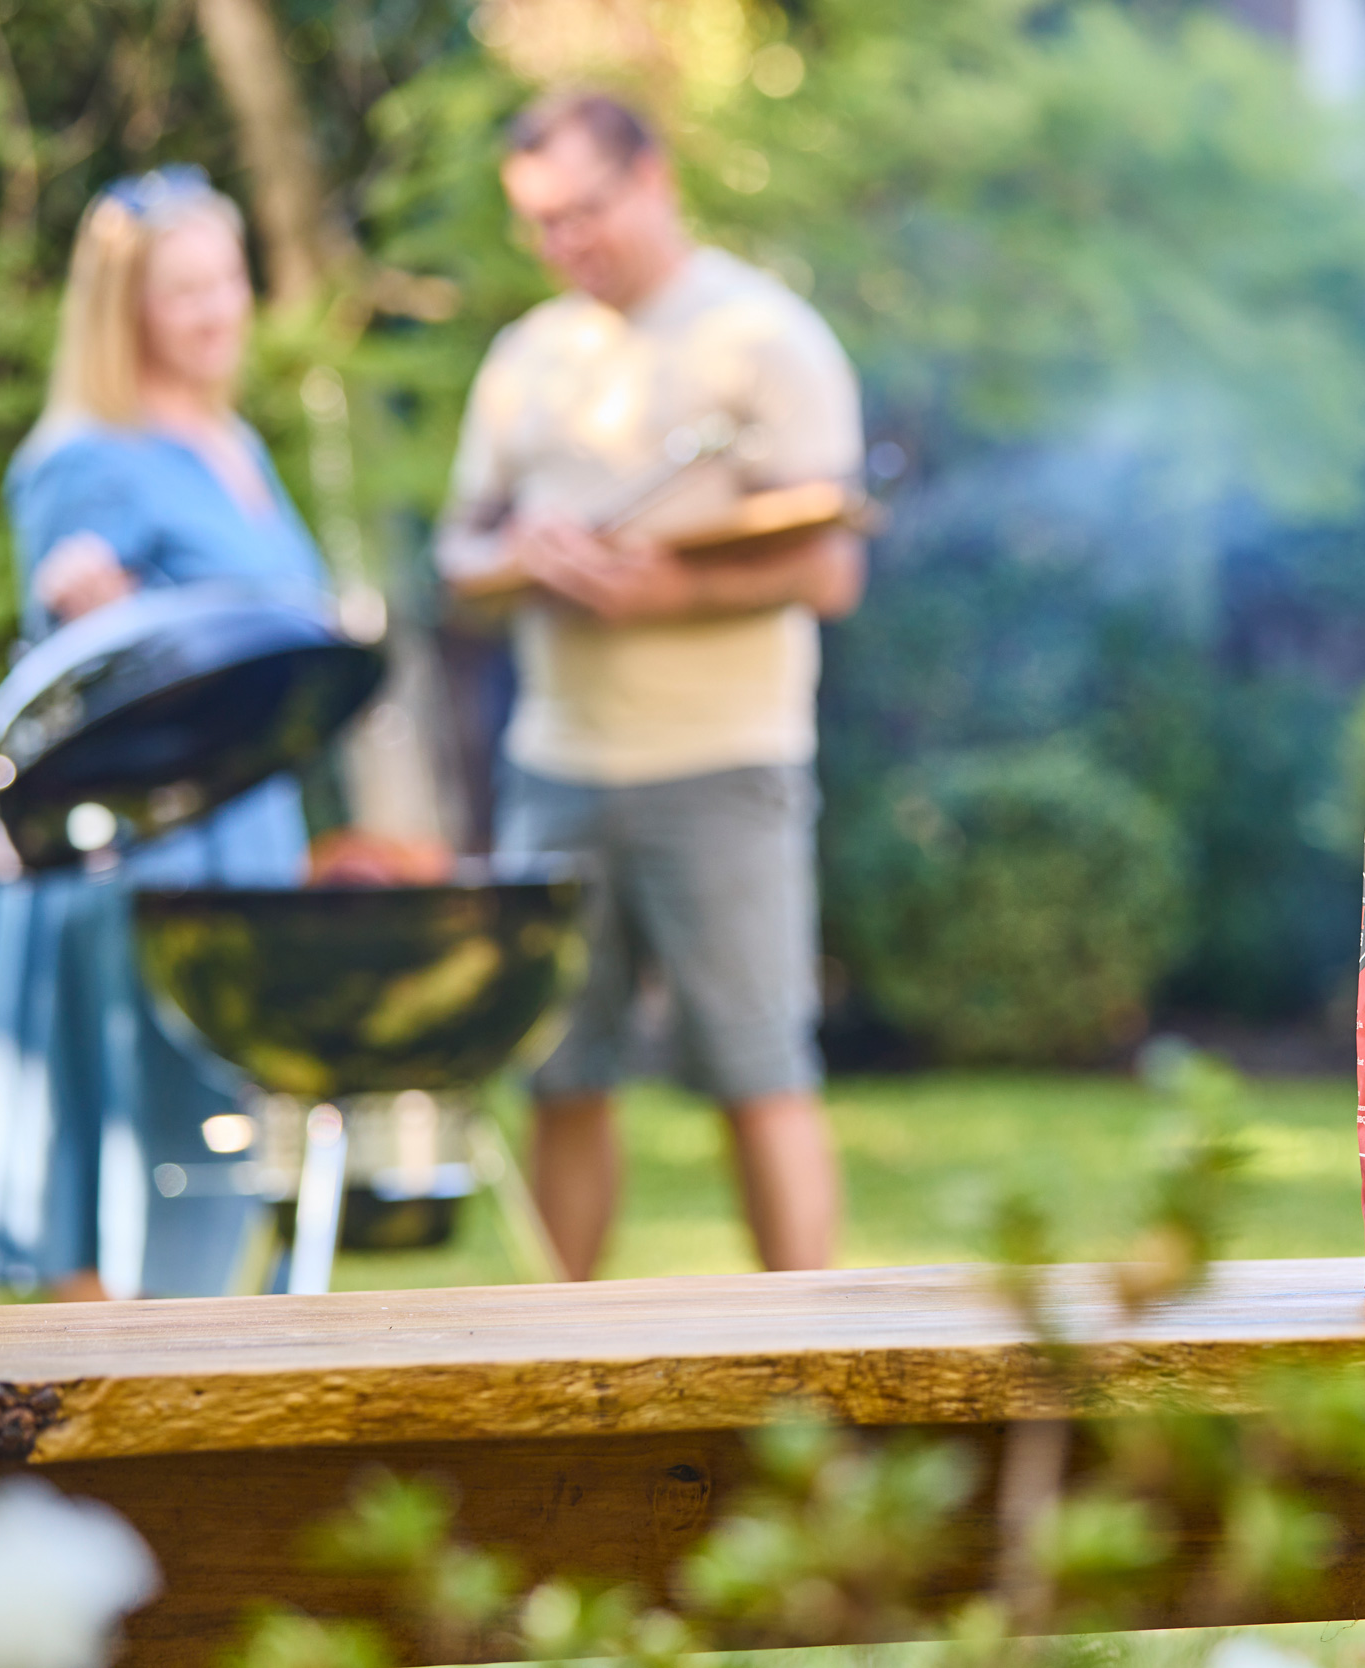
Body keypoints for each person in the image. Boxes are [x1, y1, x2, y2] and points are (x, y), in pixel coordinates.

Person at [437, 91, 864, 1280]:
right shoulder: (528, 357)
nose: (568, 242)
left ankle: (808, 1372)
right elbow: (456, 558)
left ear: (654, 178)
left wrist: (668, 592)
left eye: (585, 211)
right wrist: (519, 560)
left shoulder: (763, 339)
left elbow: (830, 566)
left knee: (758, 1070)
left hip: (724, 766)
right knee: (561, 1074)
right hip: (556, 770)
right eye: (542, 223)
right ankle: (569, 1367)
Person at [0, 167, 332, 1299]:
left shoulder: (235, 442)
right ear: (125, 312)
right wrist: (96, 618)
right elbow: (68, 691)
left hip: (246, 836)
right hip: (141, 855)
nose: (219, 310)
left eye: (228, 280)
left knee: (226, 1156)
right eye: (184, 291)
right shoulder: (84, 459)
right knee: (129, 1153)